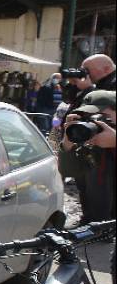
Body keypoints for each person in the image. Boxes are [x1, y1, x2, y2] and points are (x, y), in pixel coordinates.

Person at [60, 90, 115, 224]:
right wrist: (68, 141)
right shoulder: (89, 143)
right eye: (88, 116)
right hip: (96, 227)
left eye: (101, 116)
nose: (95, 121)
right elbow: (70, 171)